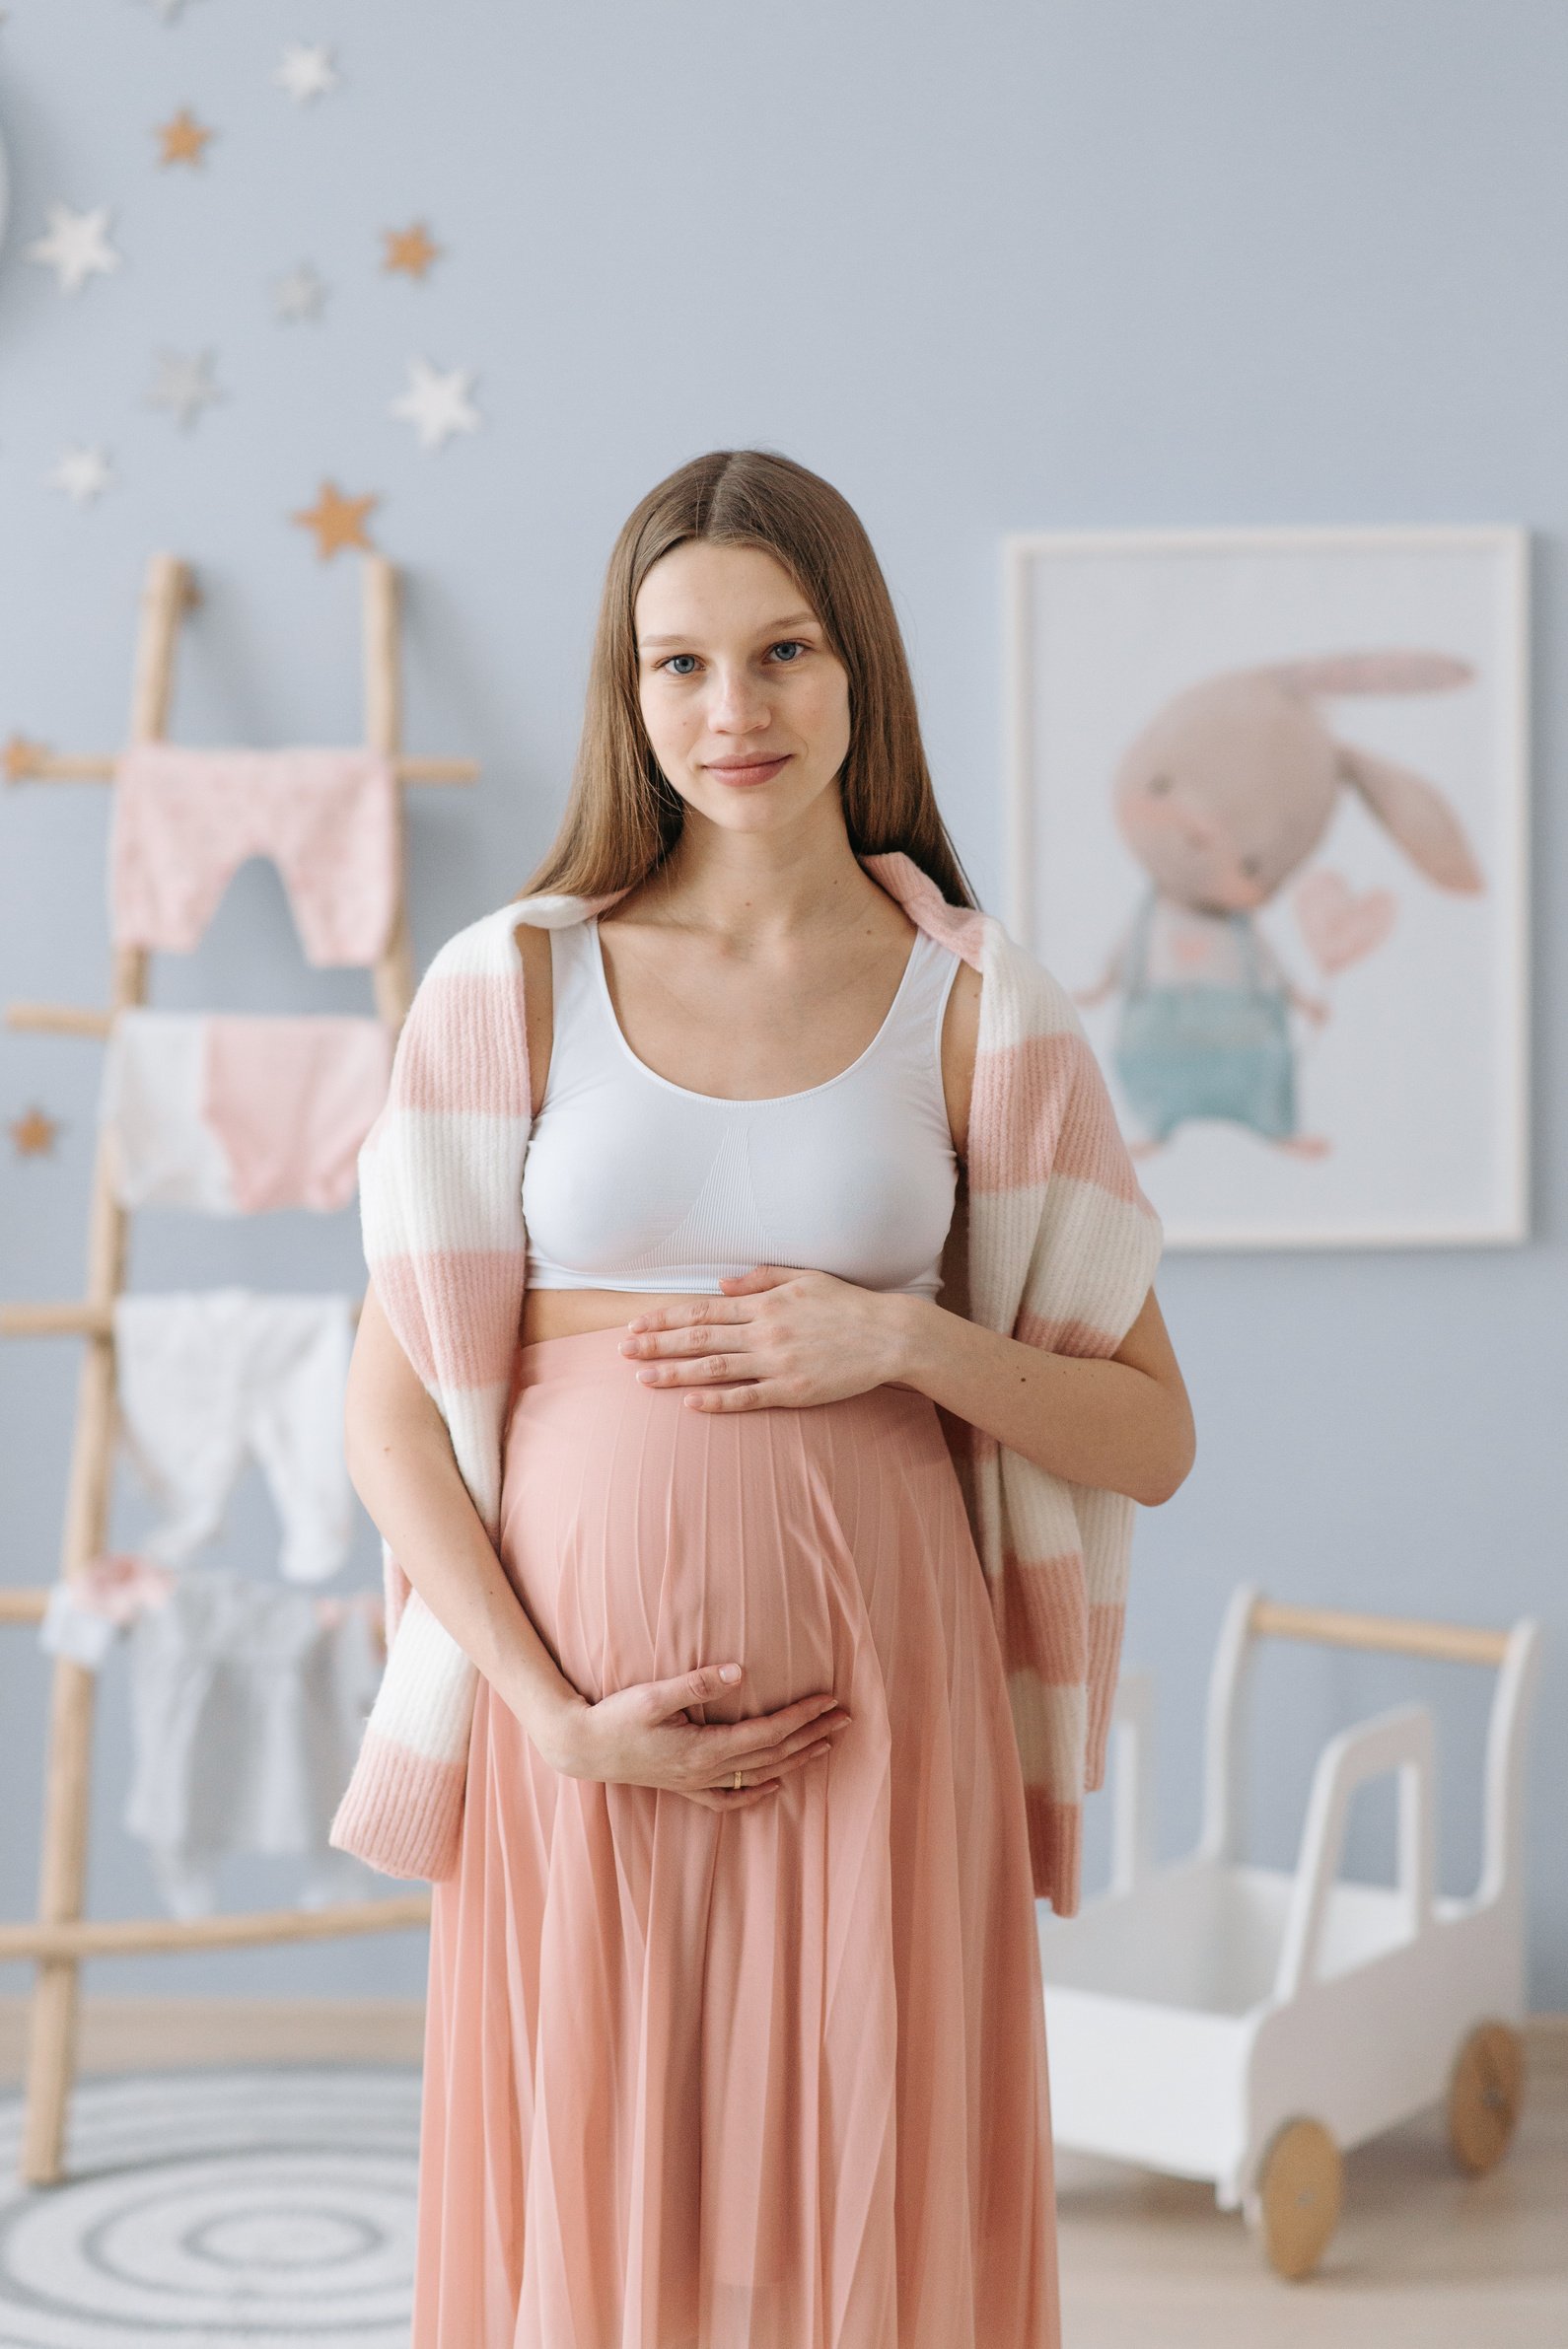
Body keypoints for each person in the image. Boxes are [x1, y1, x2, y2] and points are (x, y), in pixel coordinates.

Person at [343, 447, 1195, 2347]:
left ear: (857, 672)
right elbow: (388, 1418)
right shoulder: (515, 987)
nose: (730, 712)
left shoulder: (979, 1002)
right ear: (624, 696)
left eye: (782, 651)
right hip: (580, 1726)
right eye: (678, 665)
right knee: (597, 2220)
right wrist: (549, 1718)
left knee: (866, 2221)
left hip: (889, 1721)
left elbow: (1150, 1430)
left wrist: (902, 1341)